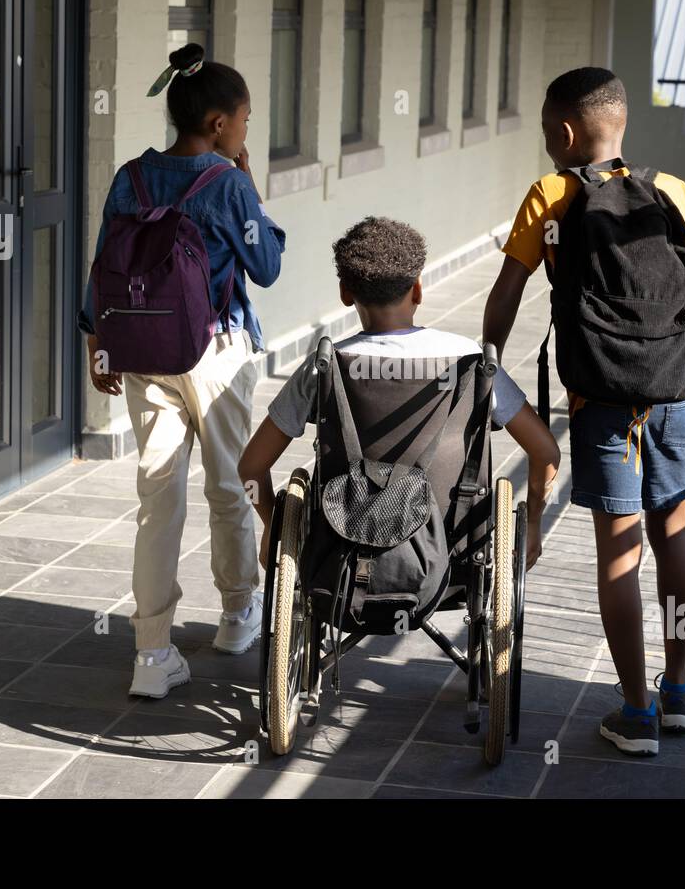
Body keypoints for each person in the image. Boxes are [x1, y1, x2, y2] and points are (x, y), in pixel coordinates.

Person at [482, 67, 685, 756]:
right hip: (675, 391)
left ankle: (636, 710)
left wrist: (489, 363)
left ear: (563, 133)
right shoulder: (671, 189)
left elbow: (506, 293)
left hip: (599, 400)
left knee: (618, 553)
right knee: (672, 534)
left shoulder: (551, 195)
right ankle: (679, 690)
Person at [79, 43, 285, 698]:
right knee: (229, 483)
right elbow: (268, 266)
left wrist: (97, 341)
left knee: (156, 495)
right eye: (245, 119)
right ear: (220, 124)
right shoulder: (226, 183)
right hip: (216, 355)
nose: (247, 131)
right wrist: (248, 182)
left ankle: (151, 652)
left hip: (144, 352)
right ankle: (234, 614)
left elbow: (104, 264)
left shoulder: (131, 177)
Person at [238, 216, 559, 579]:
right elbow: (545, 451)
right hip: (450, 557)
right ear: (418, 290)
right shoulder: (471, 362)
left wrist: (276, 527)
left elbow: (251, 468)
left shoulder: (325, 366)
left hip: (342, 553)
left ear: (346, 294)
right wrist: (532, 521)